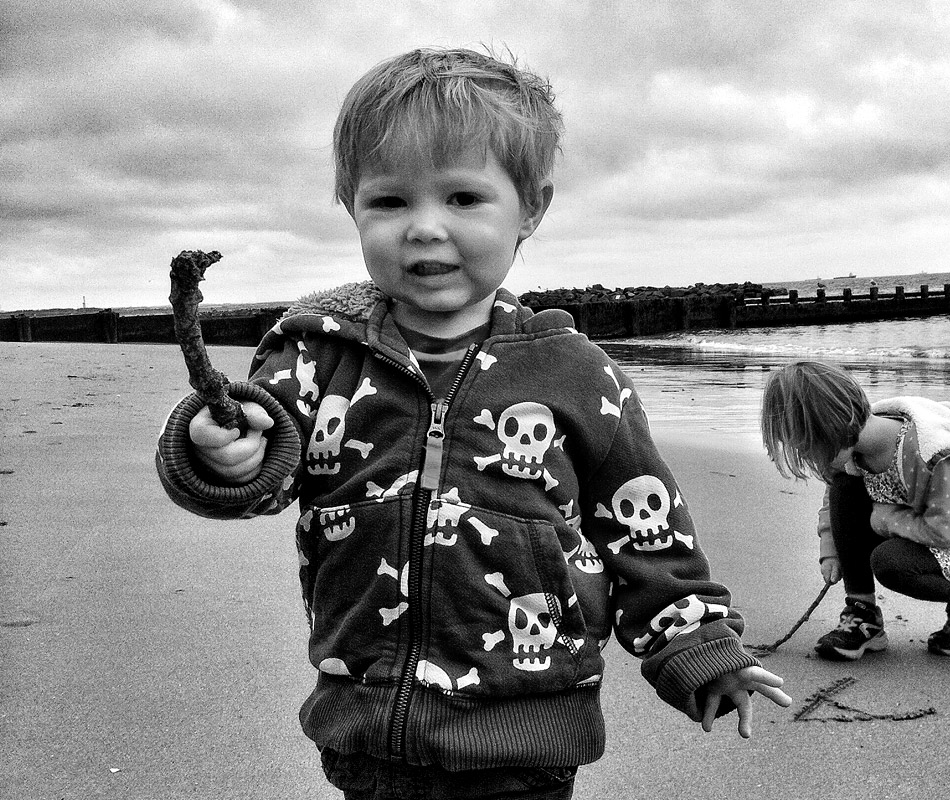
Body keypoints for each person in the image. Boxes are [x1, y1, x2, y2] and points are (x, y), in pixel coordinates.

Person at [157, 47, 789, 800]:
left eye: (462, 198)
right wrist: (221, 454)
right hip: (364, 719)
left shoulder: (576, 375)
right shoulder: (314, 358)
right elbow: (265, 473)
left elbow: (646, 531)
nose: (424, 229)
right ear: (351, 207)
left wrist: (698, 648)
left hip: (526, 729)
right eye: (389, 202)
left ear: (532, 209)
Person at [759, 360, 950, 661]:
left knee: (890, 563)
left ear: (831, 426)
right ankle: (863, 615)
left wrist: (887, 519)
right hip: (928, 529)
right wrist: (831, 547)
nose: (809, 457)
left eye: (808, 447)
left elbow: (949, 530)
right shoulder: (853, 454)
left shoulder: (933, 453)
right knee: (844, 487)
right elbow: (836, 502)